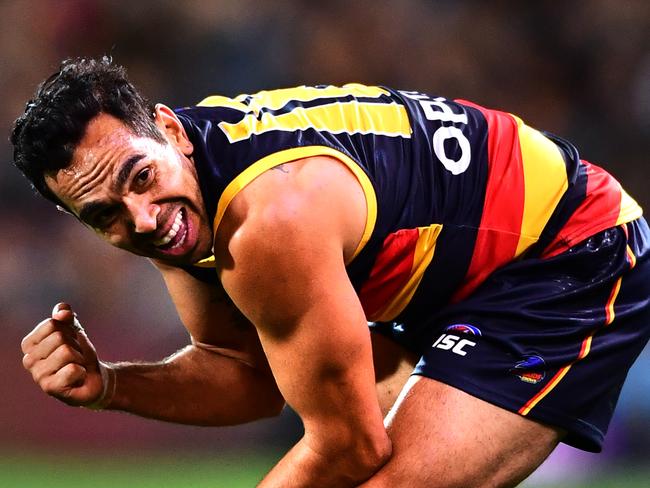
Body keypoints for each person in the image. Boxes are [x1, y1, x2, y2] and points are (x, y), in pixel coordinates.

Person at [12, 57, 650, 487]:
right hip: (458, 282)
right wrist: (109, 386)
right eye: (104, 216)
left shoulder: (269, 221)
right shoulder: (188, 193)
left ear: (171, 131)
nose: (144, 220)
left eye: (140, 179)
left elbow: (351, 447)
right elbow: (250, 377)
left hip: (569, 249)